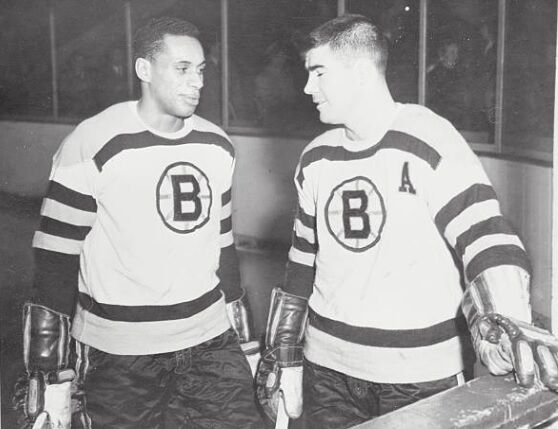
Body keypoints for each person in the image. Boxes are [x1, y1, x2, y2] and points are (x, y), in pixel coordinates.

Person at [255, 14, 558, 429]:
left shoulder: (430, 138)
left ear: (361, 72)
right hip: (327, 370)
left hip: (417, 377)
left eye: (319, 73)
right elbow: (302, 259)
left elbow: (487, 235)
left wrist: (507, 317)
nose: (308, 88)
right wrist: (284, 348)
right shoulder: (315, 156)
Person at [14, 16, 264, 429]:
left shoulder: (217, 144)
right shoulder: (91, 142)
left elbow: (223, 248)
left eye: (201, 70)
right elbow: (55, 260)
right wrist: (49, 373)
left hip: (209, 339)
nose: (196, 82)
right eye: (182, 69)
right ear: (144, 70)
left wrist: (247, 344)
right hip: (120, 353)